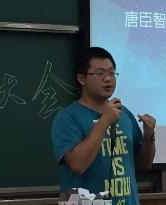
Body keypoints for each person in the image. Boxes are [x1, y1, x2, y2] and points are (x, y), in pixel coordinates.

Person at [51, 47, 156, 205]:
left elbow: (143, 164)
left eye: (112, 73)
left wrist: (149, 137)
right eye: (100, 73)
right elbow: (78, 165)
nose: (108, 79)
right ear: (81, 78)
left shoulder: (124, 114)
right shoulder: (67, 117)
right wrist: (104, 121)